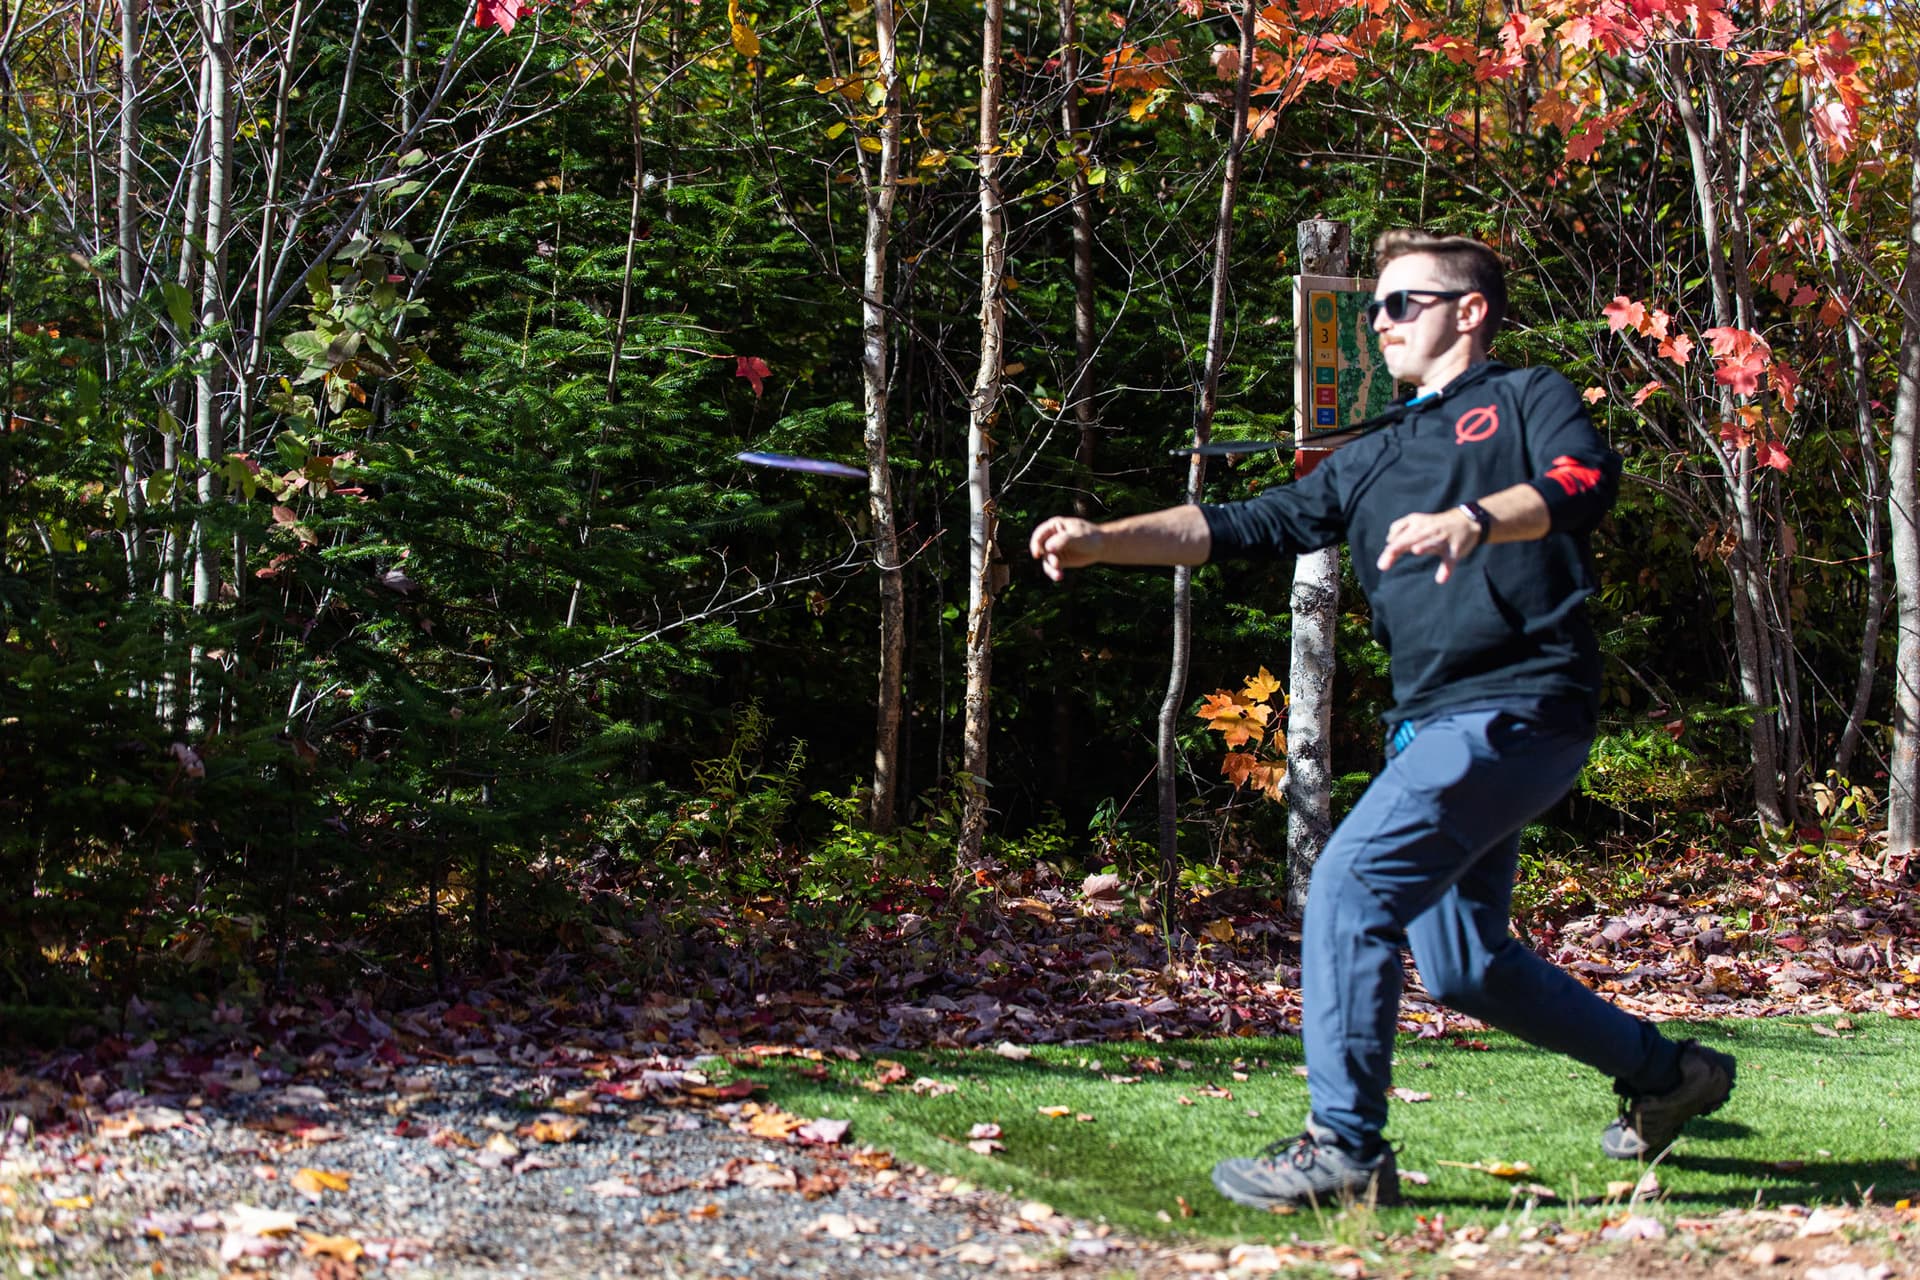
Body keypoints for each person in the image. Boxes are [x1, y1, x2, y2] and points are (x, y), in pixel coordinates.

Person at [1028, 230, 1734, 1208]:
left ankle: (1346, 1149)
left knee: (1350, 885)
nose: (1381, 322)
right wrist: (1105, 539)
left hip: (1518, 702)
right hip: (1432, 727)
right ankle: (1669, 1075)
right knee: (1465, 964)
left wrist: (1475, 519)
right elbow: (1244, 522)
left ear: (1469, 311)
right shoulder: (1372, 454)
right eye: (1376, 308)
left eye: (1403, 303)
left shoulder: (1526, 397)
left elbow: (1585, 481)